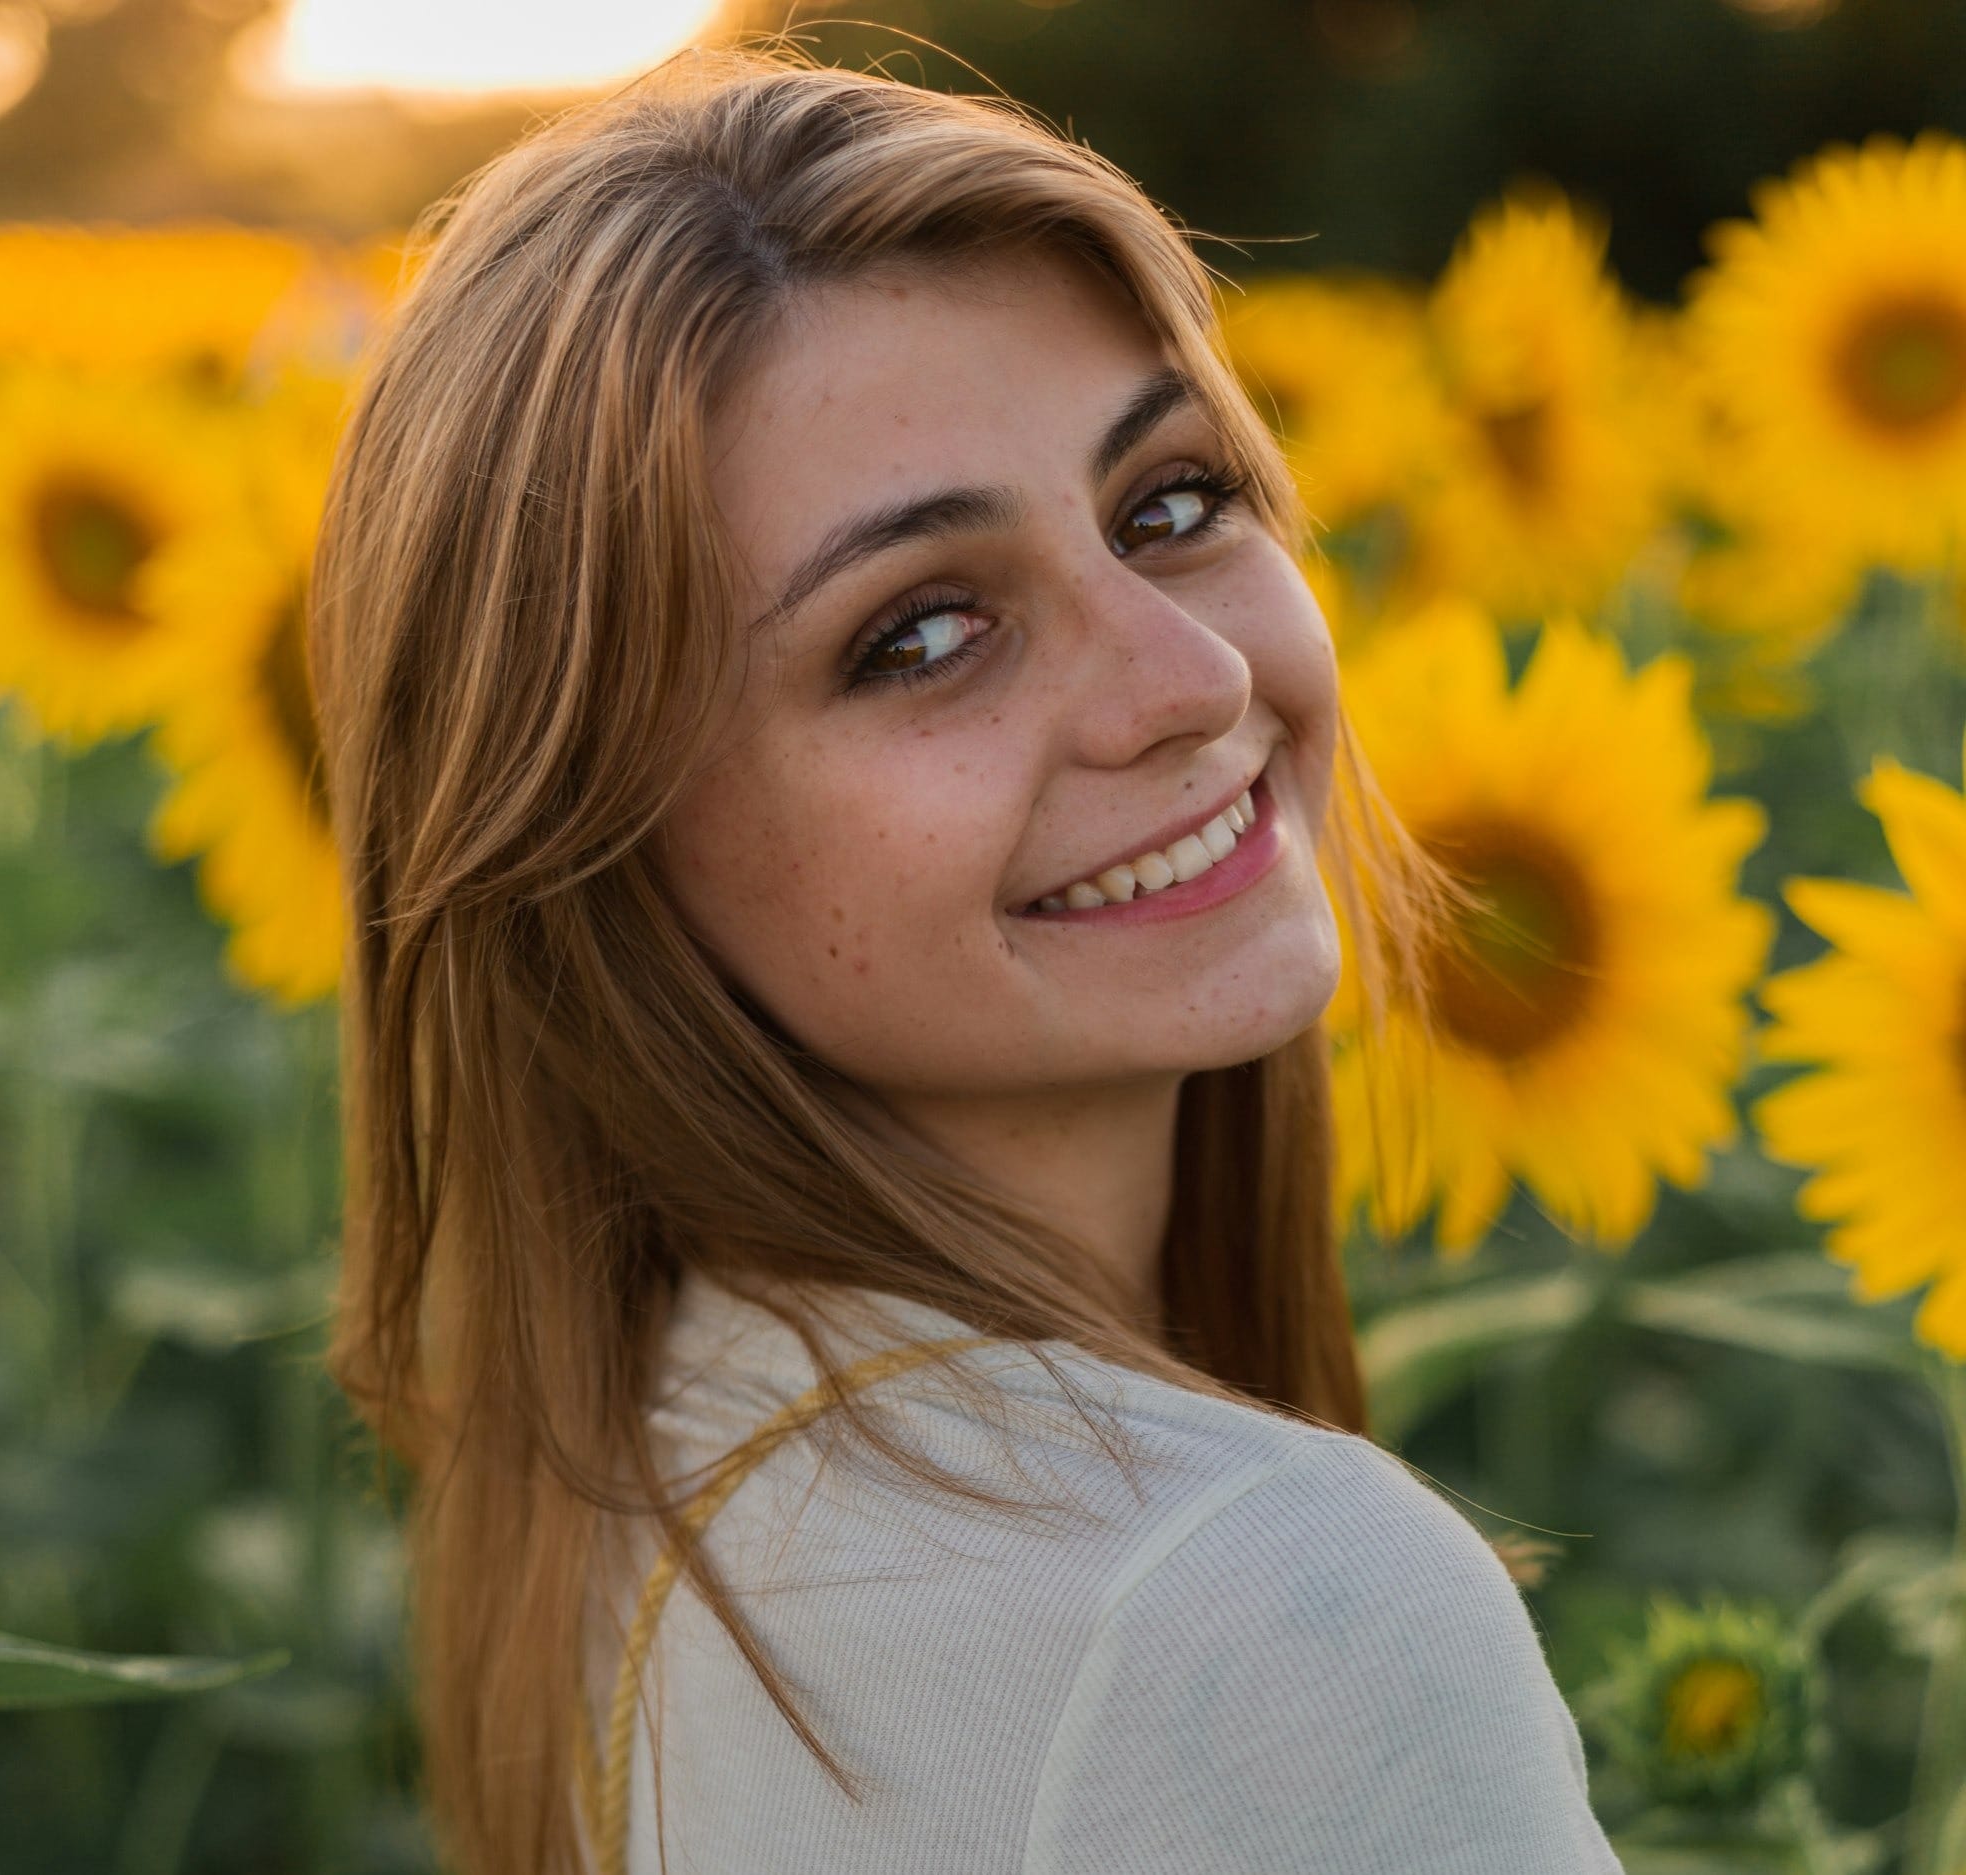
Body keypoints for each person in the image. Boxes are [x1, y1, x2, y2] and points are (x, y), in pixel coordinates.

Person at [308, 38, 1626, 1875]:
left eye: (1171, 504)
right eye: (921, 635)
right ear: (596, 857)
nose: (1195, 683)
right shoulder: (1254, 1608)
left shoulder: (661, 1449)